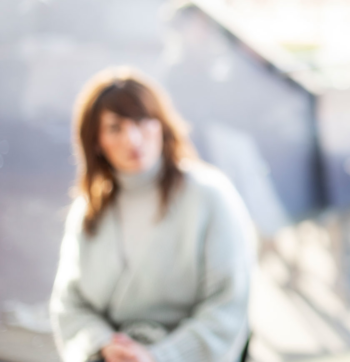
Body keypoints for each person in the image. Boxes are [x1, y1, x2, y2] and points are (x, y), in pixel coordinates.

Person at [50, 68, 254, 362]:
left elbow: (228, 304)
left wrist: (160, 356)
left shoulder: (210, 195)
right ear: (96, 141)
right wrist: (104, 345)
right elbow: (69, 303)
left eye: (142, 120)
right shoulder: (88, 210)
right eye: (114, 128)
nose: (132, 138)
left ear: (162, 124)